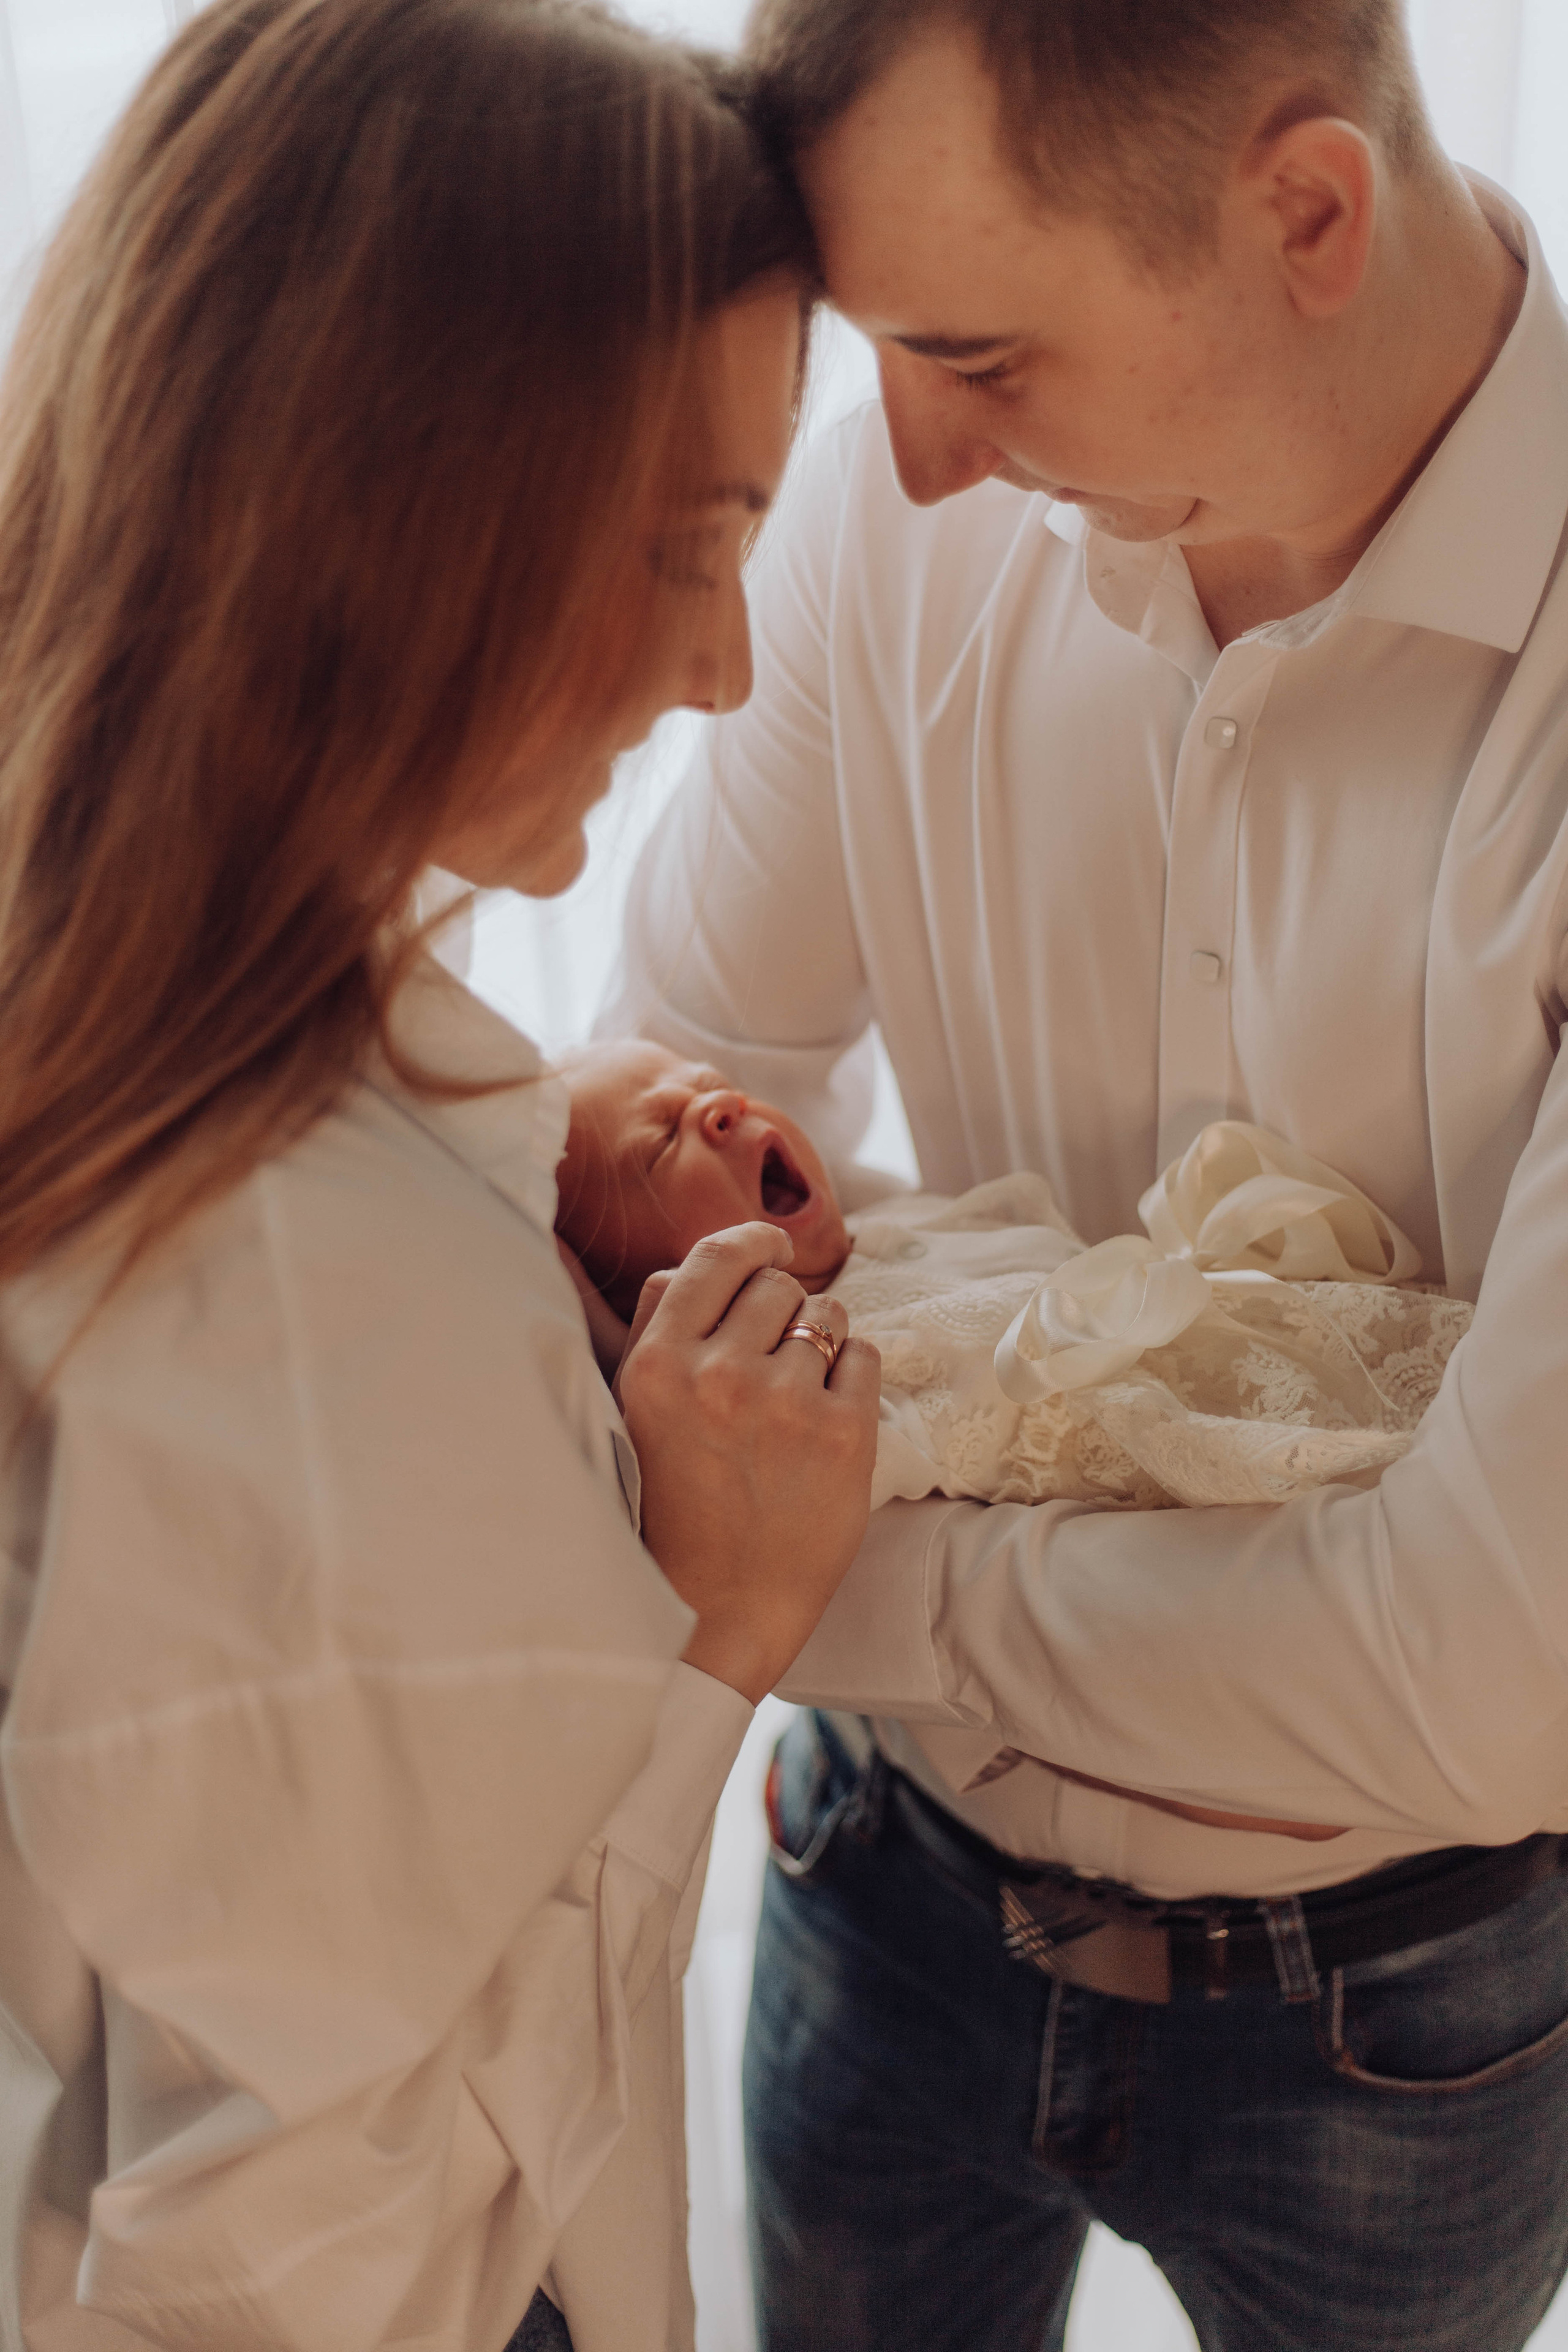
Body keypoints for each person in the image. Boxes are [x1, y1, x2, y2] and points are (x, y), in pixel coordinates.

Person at [601, 0, 1568, 2345]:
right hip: (875, 1874)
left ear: (1307, 214)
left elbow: (1500, 1668)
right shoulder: (885, 521)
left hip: (1422, 2010)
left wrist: (799, 1594)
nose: (908, 462)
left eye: (982, 357)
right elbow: (660, 1125)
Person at [0, 6, 883, 2351]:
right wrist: (722, 1632)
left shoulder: (143, 1047)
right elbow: (295, 2273)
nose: (720, 668)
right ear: (388, 504)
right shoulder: (326, 1293)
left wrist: (491, 1130)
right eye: (692, 547)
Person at [556, 1038, 1470, 1513]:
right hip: (1189, 1474)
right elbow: (806, 1492)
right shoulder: (808, 1380)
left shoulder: (897, 1219)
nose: (716, 1109)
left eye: (709, 1084)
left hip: (1236, 1343)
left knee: (1468, 1404)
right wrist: (608, 1341)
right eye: (658, 1144)